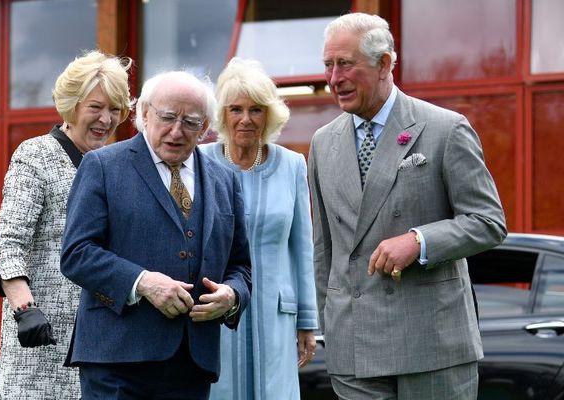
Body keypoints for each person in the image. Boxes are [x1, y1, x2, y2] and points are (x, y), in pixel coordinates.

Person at [307, 12, 507, 400]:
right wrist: (327, 324)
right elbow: (324, 248)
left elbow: (488, 222)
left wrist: (419, 241)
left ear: (384, 64)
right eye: (328, 66)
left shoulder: (445, 128)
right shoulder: (321, 142)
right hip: (353, 350)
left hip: (431, 345)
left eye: (345, 64)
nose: (333, 79)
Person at [60, 70, 252, 400]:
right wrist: (143, 282)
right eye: (167, 117)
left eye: (190, 122)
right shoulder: (102, 166)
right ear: (144, 114)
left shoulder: (226, 181)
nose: (176, 131)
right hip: (116, 362)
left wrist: (232, 297)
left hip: (192, 363)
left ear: (205, 127)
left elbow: (241, 267)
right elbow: (77, 253)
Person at [0, 50, 133, 400]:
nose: (105, 119)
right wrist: (25, 309)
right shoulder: (35, 155)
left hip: (104, 343)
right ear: (72, 105)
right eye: (95, 107)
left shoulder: (117, 164)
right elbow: (8, 243)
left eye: (115, 109)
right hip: (42, 345)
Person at [200, 57, 317, 400]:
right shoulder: (199, 162)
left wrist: (307, 321)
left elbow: (302, 247)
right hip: (216, 311)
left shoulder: (293, 165)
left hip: (276, 316)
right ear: (222, 114)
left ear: (270, 115)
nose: (246, 119)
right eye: (235, 109)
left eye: (256, 109)